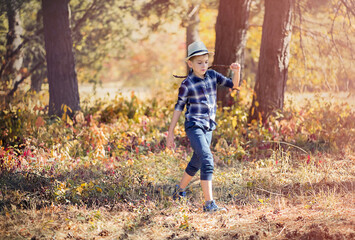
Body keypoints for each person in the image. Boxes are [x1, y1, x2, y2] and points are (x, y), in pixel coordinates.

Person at [167, 41, 241, 213]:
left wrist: (236, 71)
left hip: (208, 126)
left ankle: (178, 192)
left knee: (198, 160)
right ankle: (209, 205)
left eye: (206, 62)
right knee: (207, 160)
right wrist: (170, 133)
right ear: (190, 63)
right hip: (194, 126)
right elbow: (178, 108)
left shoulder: (213, 76)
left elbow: (234, 85)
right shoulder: (187, 84)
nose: (203, 66)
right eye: (199, 63)